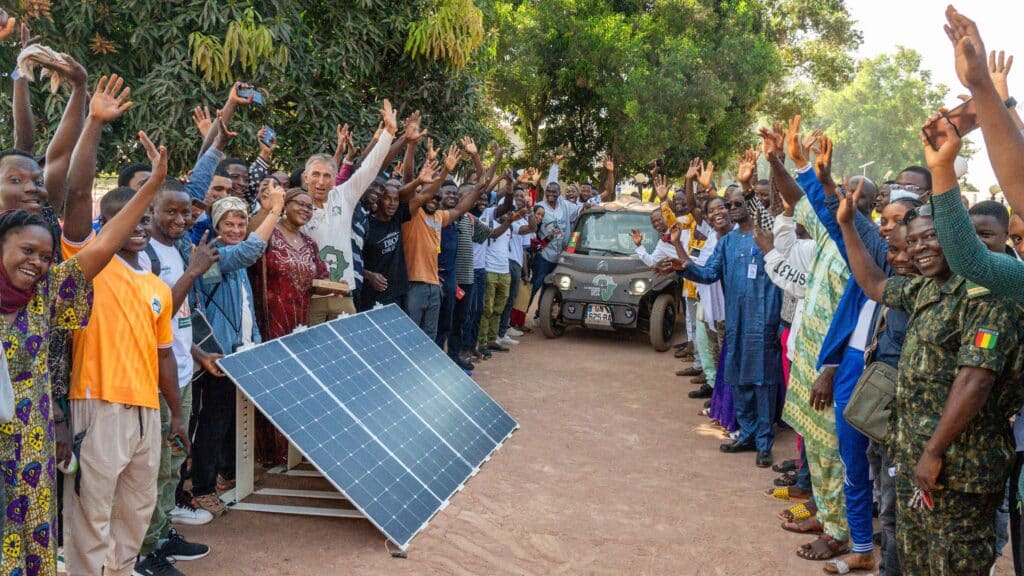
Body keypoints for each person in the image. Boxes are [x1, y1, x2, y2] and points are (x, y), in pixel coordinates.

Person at [838, 178, 1024, 576]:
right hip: (915, 460)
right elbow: (874, 284)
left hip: (958, 469)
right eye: (914, 240)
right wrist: (848, 226)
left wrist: (933, 452)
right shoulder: (928, 289)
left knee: (955, 565)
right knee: (915, 560)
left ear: (957, 241)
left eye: (931, 239)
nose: (920, 248)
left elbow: (976, 380)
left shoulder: (987, 295)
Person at [135, 181, 224, 576]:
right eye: (169, 211)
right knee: (152, 467)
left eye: (185, 212)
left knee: (172, 463)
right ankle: (143, 551)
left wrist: (200, 353)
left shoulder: (181, 248)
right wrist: (192, 272)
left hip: (182, 374)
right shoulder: (146, 256)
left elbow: (180, 325)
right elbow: (154, 320)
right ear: (151, 209)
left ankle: (160, 533)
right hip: (156, 379)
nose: (180, 219)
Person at [663, 186, 783, 468]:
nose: (732, 208)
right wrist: (683, 268)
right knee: (738, 380)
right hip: (735, 323)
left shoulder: (766, 236)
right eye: (728, 205)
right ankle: (747, 434)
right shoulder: (727, 243)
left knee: (763, 384)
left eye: (737, 203)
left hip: (763, 322)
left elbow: (773, 215)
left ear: (749, 205)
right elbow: (708, 274)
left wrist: (750, 183)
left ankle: (764, 442)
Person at [189, 186, 284, 517]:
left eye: (241, 225)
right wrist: (275, 211)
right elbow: (249, 253)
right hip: (217, 355)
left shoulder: (235, 256)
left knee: (230, 419)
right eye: (228, 225)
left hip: (240, 351)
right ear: (216, 227)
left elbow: (244, 307)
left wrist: (254, 340)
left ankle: (225, 475)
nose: (235, 231)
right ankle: (201, 488)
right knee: (213, 422)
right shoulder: (214, 256)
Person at [301, 100, 397, 324]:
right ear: (306, 177)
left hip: (343, 294)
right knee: (313, 354)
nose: (321, 181)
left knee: (344, 354)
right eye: (315, 175)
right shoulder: (294, 206)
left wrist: (389, 133)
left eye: (327, 176)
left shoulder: (344, 196)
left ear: (334, 179)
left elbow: (370, 168)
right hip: (310, 297)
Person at [403, 145, 493, 340]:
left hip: (434, 286)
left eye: (437, 197)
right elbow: (409, 180)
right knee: (411, 337)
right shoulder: (412, 214)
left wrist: (476, 156)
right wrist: (412, 146)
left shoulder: (440, 217)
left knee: (431, 336)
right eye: (431, 196)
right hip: (414, 285)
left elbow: (476, 191)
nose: (434, 199)